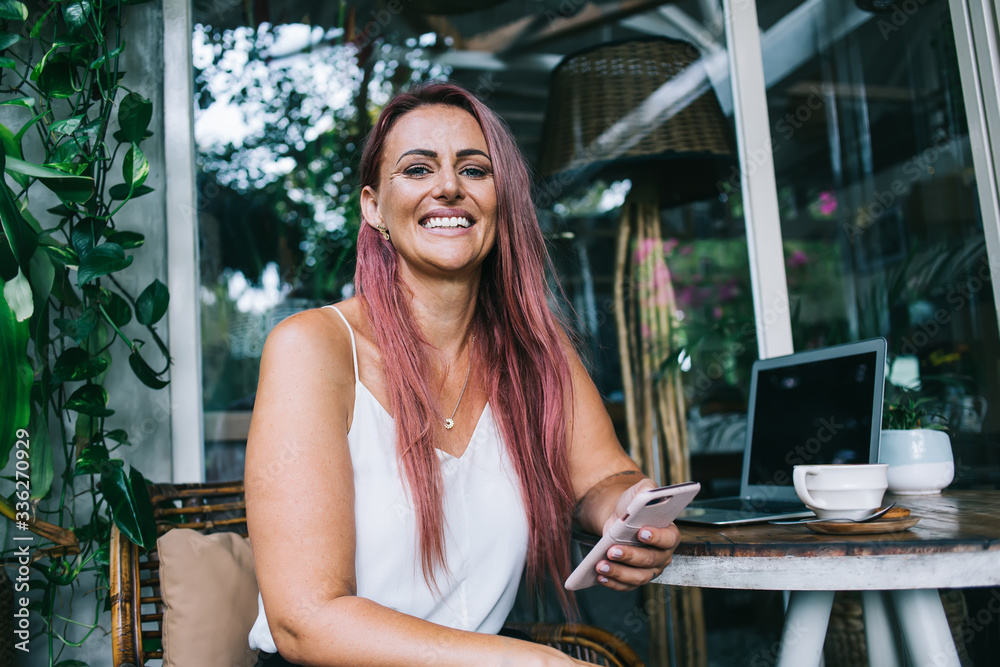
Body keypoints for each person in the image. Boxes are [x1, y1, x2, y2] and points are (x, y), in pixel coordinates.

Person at [244, 81, 681, 666]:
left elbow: (605, 479)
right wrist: (531, 662)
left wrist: (630, 517)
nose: (448, 187)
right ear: (373, 206)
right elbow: (305, 619)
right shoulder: (313, 348)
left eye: (475, 171)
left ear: (501, 201)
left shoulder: (537, 352)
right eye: (418, 169)